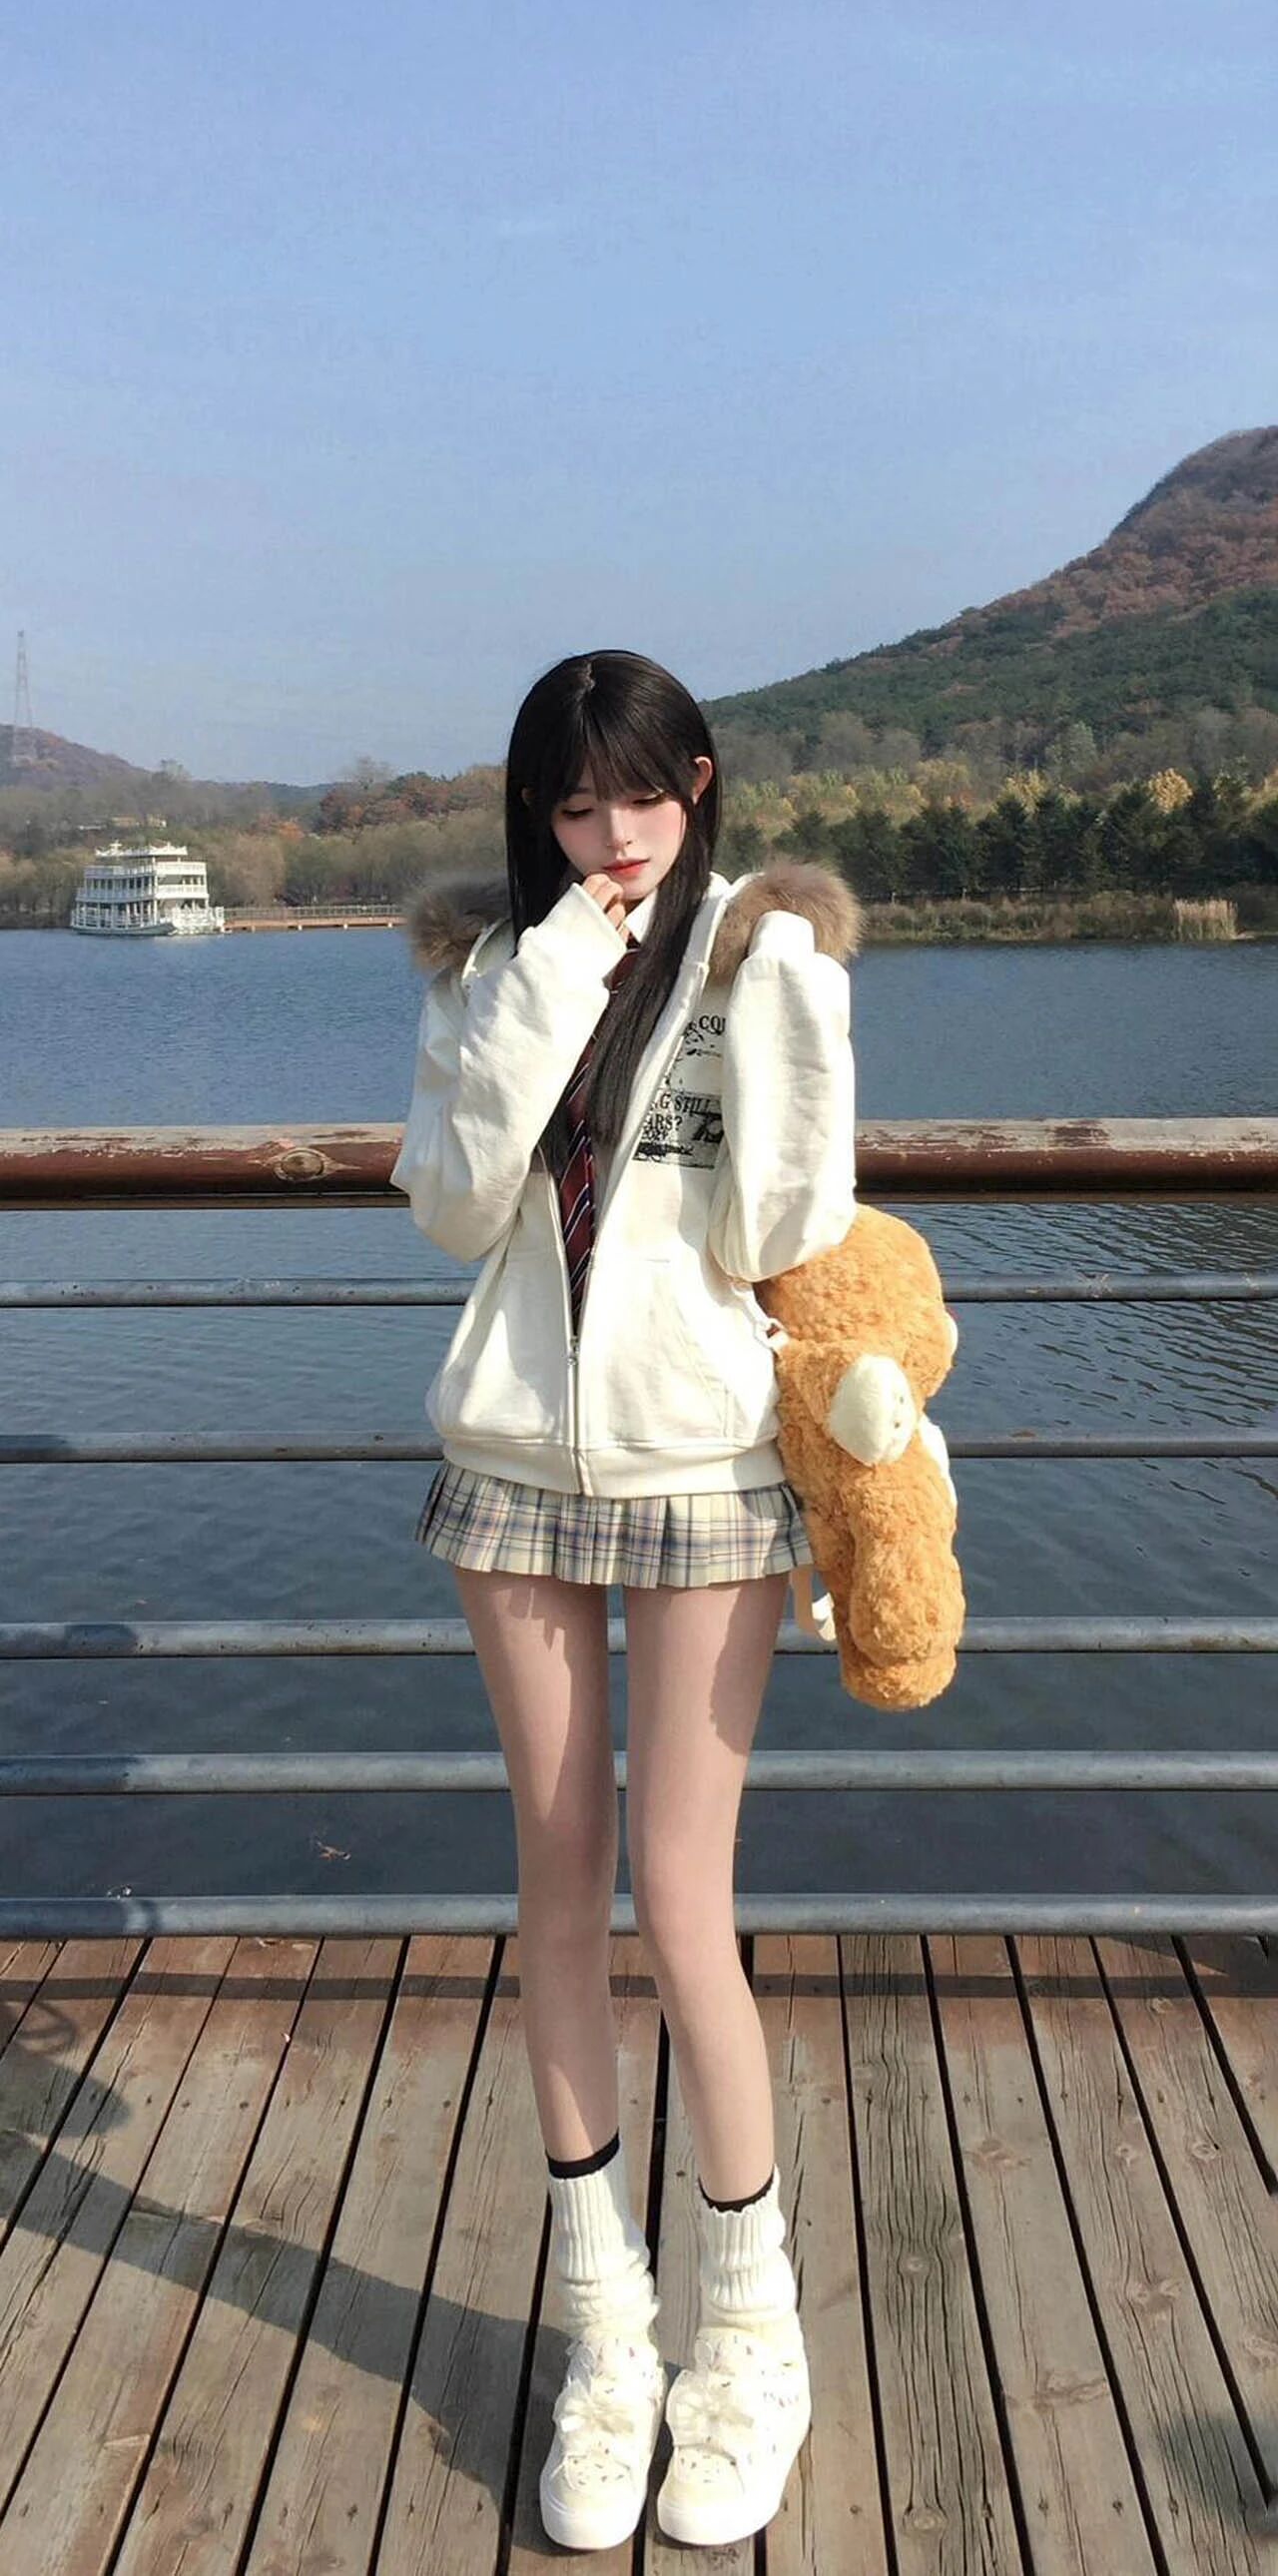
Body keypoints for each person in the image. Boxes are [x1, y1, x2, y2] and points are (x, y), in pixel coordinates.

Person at [389, 647, 859, 2550]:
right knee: (558, 1885)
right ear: (537, 810)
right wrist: (549, 984)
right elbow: (450, 1202)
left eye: (641, 798)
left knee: (683, 1892)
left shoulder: (759, 962)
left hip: (707, 1467)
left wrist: (786, 1009)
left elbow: (782, 1230)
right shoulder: (490, 972)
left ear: (699, 784)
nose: (610, 838)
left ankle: (751, 2334)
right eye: (574, 806)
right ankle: (607, 2331)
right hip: (513, 1467)